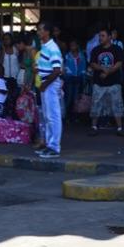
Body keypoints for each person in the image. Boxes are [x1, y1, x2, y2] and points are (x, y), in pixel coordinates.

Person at [88, 29, 124, 137]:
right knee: (95, 104)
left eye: (103, 36)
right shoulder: (95, 50)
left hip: (114, 82)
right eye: (100, 36)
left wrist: (108, 71)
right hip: (99, 82)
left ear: (110, 37)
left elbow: (119, 63)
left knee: (117, 105)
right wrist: (102, 69)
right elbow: (92, 63)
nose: (100, 38)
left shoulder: (117, 49)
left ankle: (120, 128)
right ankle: (94, 127)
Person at [34, 22, 64, 159]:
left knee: (53, 116)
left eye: (40, 30)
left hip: (49, 85)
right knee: (47, 116)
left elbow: (57, 70)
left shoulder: (53, 48)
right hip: (46, 84)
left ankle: (54, 147)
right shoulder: (45, 47)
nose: (38, 32)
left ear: (47, 32)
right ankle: (49, 144)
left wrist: (45, 84)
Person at [63, 39, 87, 124]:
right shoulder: (67, 55)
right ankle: (66, 117)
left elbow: (83, 67)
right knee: (69, 98)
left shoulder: (81, 55)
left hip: (78, 78)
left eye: (74, 45)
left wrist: (84, 77)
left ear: (77, 46)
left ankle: (74, 117)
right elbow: (64, 67)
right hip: (69, 78)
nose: (72, 46)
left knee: (75, 99)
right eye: (71, 45)